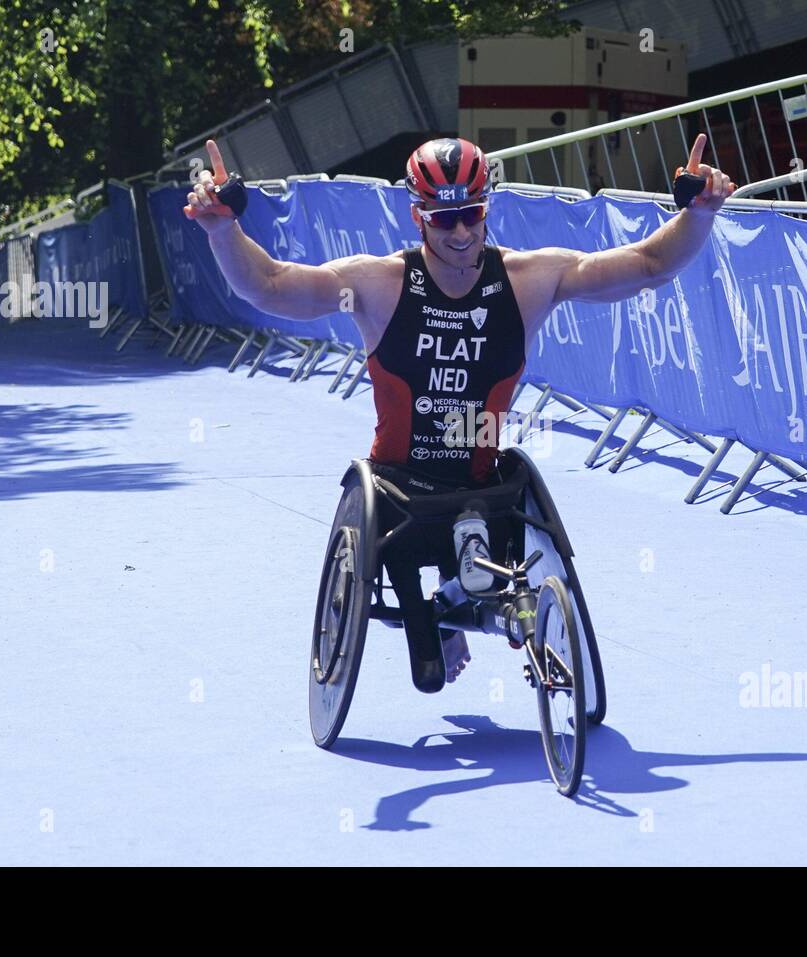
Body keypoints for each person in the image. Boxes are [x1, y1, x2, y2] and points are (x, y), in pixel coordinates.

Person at [186, 134, 733, 691]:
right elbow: (271, 286)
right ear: (418, 215)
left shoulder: (528, 280)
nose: (462, 233)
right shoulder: (378, 285)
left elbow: (648, 264)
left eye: (471, 214)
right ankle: (431, 617)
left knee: (490, 523)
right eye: (445, 220)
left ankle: (458, 601)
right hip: (398, 493)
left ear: (487, 206)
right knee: (427, 669)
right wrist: (222, 229)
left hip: (481, 485)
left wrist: (698, 211)